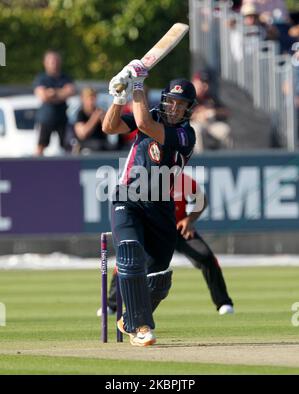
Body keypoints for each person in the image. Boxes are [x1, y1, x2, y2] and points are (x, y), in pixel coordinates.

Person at [102, 59, 197, 346]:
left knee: (159, 278)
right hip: (128, 198)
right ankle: (140, 325)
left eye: (181, 104)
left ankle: (129, 315)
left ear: (188, 109)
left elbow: (143, 123)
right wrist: (120, 97)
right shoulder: (153, 112)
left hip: (160, 206)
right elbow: (110, 126)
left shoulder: (185, 135)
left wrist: (138, 84)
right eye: (171, 101)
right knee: (130, 253)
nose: (174, 108)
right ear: (164, 100)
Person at [100, 171, 234, 317]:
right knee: (128, 259)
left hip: (178, 228)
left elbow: (202, 199)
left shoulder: (182, 180)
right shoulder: (142, 181)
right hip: (150, 231)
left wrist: (189, 220)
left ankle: (223, 302)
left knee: (206, 257)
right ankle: (112, 305)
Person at [33, 50, 75, 156]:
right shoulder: (41, 78)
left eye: (56, 61)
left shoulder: (65, 77)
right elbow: (42, 96)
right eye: (51, 61)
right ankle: (35, 169)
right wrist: (61, 93)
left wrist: (52, 93)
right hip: (46, 118)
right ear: (45, 63)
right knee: (41, 146)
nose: (54, 64)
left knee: (67, 147)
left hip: (62, 118)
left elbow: (70, 91)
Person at [73, 87, 107, 153]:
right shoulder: (80, 113)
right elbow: (82, 134)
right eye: (88, 98)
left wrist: (103, 120)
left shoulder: (100, 111)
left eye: (93, 98)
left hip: (101, 145)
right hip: (85, 146)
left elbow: (107, 132)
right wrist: (95, 118)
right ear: (82, 99)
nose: (91, 101)